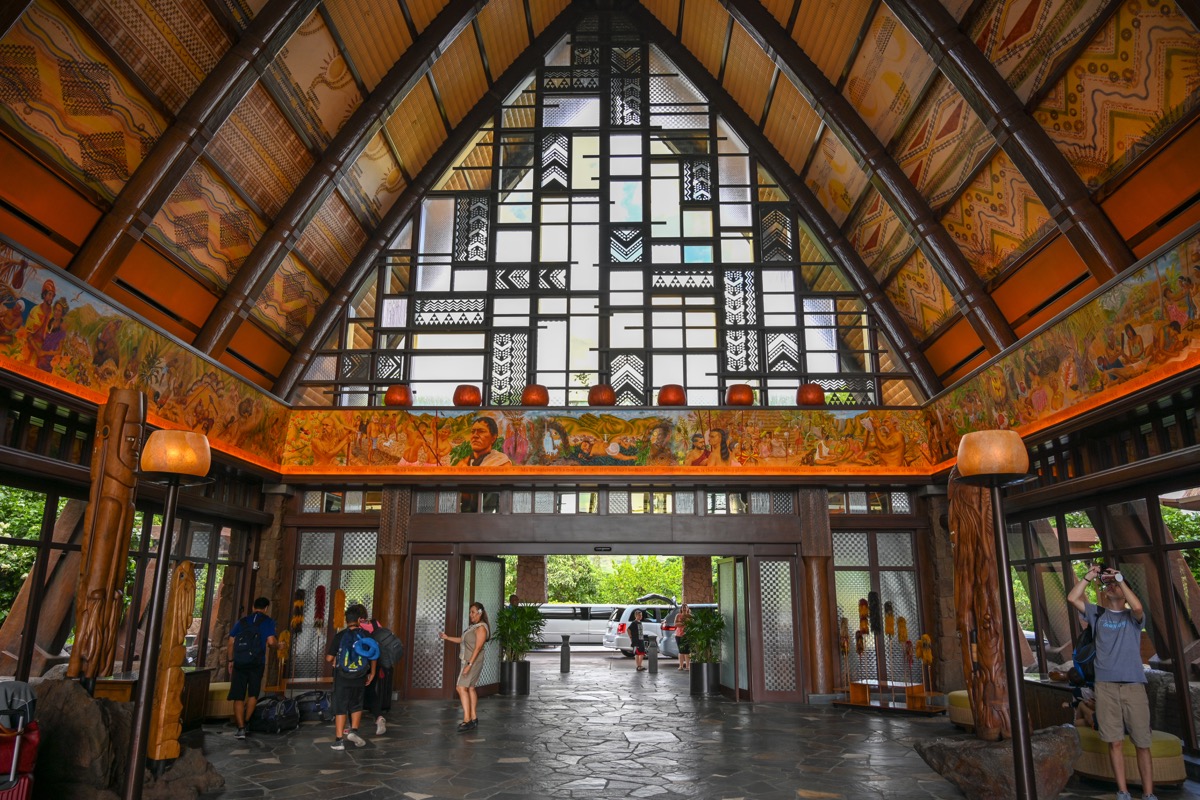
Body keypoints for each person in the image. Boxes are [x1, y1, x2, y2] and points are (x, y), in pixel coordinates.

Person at [1068, 563, 1156, 800]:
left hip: (1133, 685)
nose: (1110, 587)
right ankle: (1123, 791)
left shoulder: (1133, 617)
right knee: (1114, 741)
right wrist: (1090, 576)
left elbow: (1136, 605)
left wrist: (1119, 578)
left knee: (1142, 741)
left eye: (1115, 585)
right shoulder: (1097, 614)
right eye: (1108, 585)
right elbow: (1072, 597)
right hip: (1105, 686)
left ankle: (1149, 794)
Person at [325, 606, 377, 750]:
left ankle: (339, 740)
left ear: (346, 620)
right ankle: (354, 731)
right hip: (360, 675)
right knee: (356, 703)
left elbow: (329, 658)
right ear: (360, 620)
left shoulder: (340, 636)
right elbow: (373, 654)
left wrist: (336, 659)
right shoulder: (366, 635)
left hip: (342, 676)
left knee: (340, 706)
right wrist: (372, 673)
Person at [226, 597, 278, 740]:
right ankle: (247, 722)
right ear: (266, 608)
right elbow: (271, 641)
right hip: (257, 662)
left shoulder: (242, 622)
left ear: (253, 607)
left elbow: (231, 642)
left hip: (240, 663)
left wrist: (231, 660)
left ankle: (240, 728)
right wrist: (279, 645)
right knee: (253, 694)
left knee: (238, 696)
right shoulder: (267, 621)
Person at [439, 601, 489, 732]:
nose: (470, 614)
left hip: (472, 661)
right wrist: (447, 637)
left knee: (461, 688)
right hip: (470, 661)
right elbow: (461, 640)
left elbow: (478, 648)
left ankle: (467, 720)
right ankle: (473, 717)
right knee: (470, 688)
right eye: (470, 612)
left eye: (473, 612)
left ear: (480, 613)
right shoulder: (474, 627)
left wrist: (469, 665)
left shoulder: (481, 628)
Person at [348, 604, 390, 736]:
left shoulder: (357, 627)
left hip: (360, 663)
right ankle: (378, 717)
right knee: (371, 690)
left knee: (354, 692)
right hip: (375, 662)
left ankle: (351, 726)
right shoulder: (375, 623)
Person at [675, 604, 692, 671]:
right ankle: (681, 666)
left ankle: (687, 666)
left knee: (687, 651)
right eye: (683, 607)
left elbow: (692, 624)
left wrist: (681, 623)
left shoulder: (690, 616)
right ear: (681, 608)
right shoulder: (678, 615)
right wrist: (685, 623)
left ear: (688, 608)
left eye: (686, 607)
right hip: (679, 635)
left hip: (687, 635)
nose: (684, 608)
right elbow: (675, 624)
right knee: (681, 651)